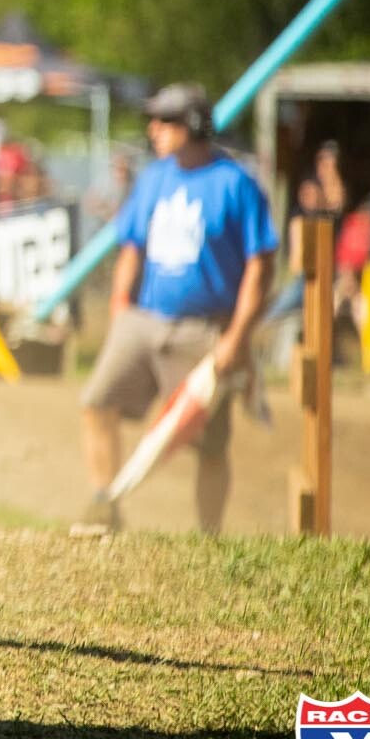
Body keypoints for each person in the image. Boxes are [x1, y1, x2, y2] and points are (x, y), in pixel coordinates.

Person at [73, 83, 277, 536]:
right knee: (96, 402)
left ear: (195, 125)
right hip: (143, 320)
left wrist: (237, 338)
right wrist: (120, 309)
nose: (155, 129)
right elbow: (131, 249)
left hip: (203, 331)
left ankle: (209, 538)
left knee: (208, 444)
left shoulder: (236, 183)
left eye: (166, 120)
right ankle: (104, 507)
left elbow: (260, 268)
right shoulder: (154, 178)